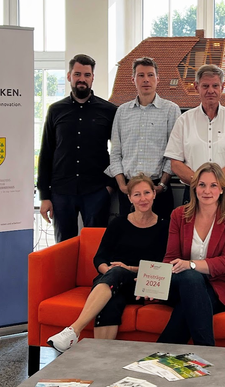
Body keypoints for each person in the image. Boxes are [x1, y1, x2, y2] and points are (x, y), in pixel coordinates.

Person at [46, 174, 169, 352]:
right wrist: (110, 270)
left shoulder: (165, 226)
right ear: (129, 198)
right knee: (110, 303)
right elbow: (100, 258)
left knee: (119, 273)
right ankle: (100, 361)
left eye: (147, 193)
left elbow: (162, 264)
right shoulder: (118, 223)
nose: (143, 199)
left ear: (154, 195)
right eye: (137, 194)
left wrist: (128, 269)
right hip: (111, 280)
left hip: (141, 282)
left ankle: (74, 330)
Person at [157, 162, 225, 346]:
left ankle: (158, 357)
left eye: (213, 185)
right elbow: (170, 258)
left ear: (221, 189)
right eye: (202, 185)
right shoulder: (178, 215)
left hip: (220, 287)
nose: (207, 191)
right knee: (191, 278)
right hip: (182, 283)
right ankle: (207, 355)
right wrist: (156, 282)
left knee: (188, 303)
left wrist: (192, 264)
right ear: (194, 187)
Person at [37, 54, 117, 242]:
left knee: (95, 246)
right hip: (61, 192)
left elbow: (119, 150)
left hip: (97, 191)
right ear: (69, 76)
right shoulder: (55, 110)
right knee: (64, 246)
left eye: (87, 75)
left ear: (92, 78)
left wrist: (110, 186)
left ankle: (94, 274)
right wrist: (44, 196)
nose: (82, 79)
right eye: (77, 74)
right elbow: (46, 152)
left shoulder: (109, 111)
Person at [164, 64, 225, 210]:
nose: (210, 90)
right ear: (196, 87)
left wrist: (211, 182)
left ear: (222, 87)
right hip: (194, 195)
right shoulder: (183, 120)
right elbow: (175, 163)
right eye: (205, 86)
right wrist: (202, 185)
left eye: (215, 86)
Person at [107, 57, 181, 220]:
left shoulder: (171, 110)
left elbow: (174, 152)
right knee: (129, 239)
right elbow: (115, 152)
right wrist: (122, 185)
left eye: (150, 75)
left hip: (157, 189)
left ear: (157, 79)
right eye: (141, 75)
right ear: (133, 79)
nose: (146, 79)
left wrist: (162, 184)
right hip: (129, 189)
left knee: (160, 240)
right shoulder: (122, 112)